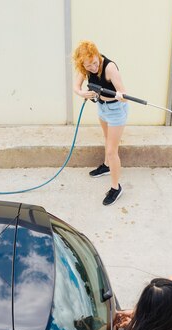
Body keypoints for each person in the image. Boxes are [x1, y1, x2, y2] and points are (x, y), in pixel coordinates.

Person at [72, 40, 128, 206]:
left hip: (116, 110)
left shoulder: (109, 68)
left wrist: (120, 95)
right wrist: (82, 93)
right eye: (89, 66)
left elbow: (123, 92)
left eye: (95, 63)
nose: (93, 68)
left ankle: (116, 187)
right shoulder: (85, 67)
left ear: (97, 55)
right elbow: (76, 86)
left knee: (112, 151)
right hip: (102, 108)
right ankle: (106, 166)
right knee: (106, 139)